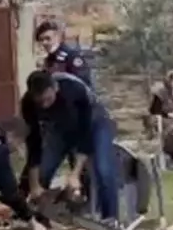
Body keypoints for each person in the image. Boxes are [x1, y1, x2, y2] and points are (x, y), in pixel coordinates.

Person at [21, 70, 119, 220]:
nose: (45, 106)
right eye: (40, 102)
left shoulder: (73, 91)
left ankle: (111, 219)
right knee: (43, 171)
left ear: (55, 88)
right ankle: (39, 216)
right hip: (60, 128)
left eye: (48, 99)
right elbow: (34, 142)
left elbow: (84, 134)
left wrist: (75, 174)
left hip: (95, 123)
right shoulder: (28, 104)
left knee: (103, 170)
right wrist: (34, 184)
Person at [36, 20, 93, 89]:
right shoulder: (49, 59)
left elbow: (83, 85)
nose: (44, 43)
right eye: (41, 40)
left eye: (48, 38)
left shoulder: (71, 56)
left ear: (57, 37)